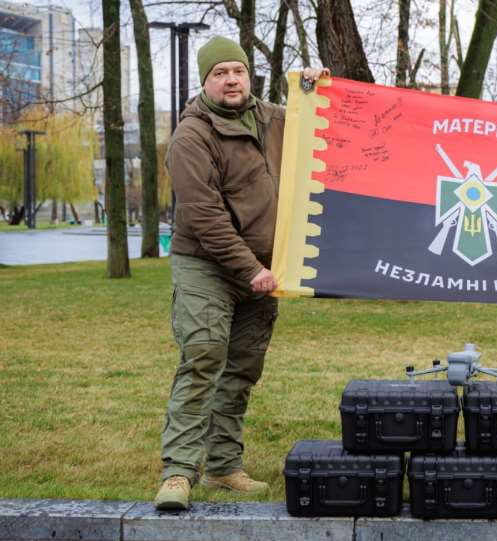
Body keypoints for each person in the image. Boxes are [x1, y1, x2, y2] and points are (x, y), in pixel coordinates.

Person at [154, 35, 328, 511]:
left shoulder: (271, 118)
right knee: (205, 354)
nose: (231, 80)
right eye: (219, 73)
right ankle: (178, 472)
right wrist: (250, 268)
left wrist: (315, 91)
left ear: (248, 75)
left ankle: (223, 467)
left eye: (237, 71)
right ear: (205, 81)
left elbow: (322, 133)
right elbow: (205, 217)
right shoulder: (190, 137)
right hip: (208, 264)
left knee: (242, 368)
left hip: (263, 270)